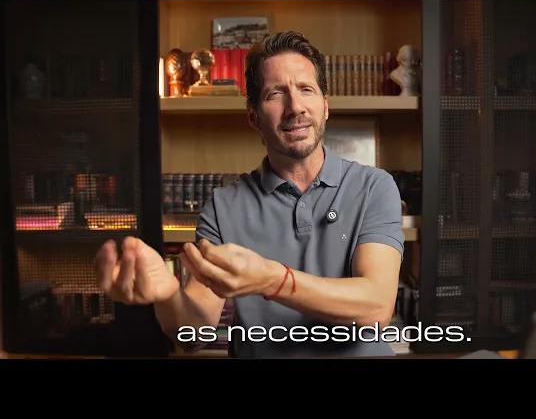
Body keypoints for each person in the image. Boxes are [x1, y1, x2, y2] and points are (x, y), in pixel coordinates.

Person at [95, 31, 404, 358]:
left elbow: (376, 308)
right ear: (253, 117)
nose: (295, 107)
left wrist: (271, 280)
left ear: (325, 106)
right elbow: (194, 334)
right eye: (276, 94)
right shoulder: (223, 206)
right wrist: (169, 295)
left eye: (306, 89)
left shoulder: (374, 187)